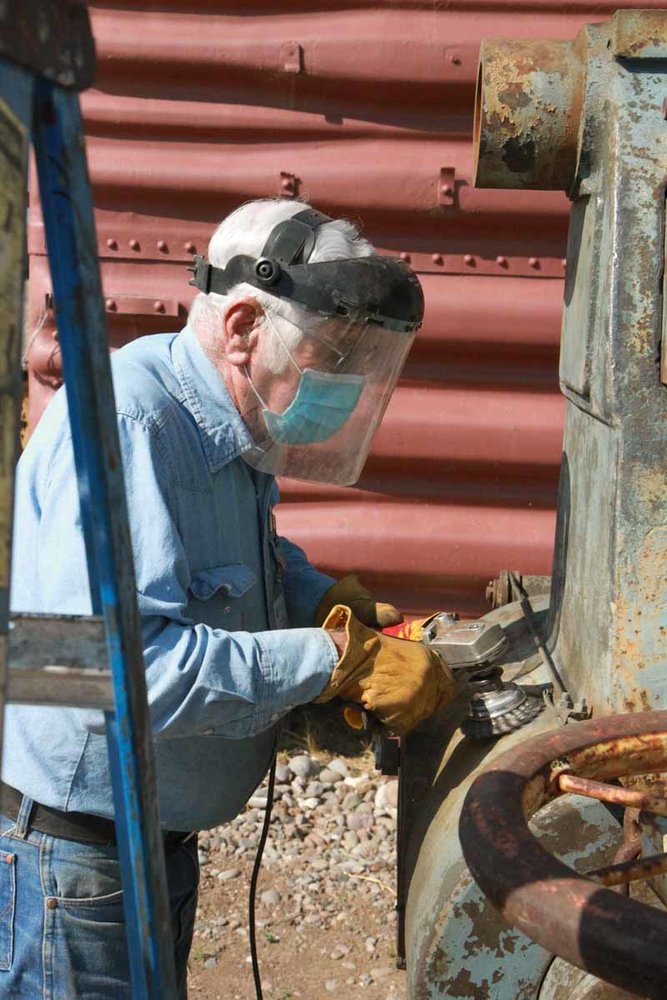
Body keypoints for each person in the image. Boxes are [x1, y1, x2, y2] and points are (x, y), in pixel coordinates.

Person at [2, 199, 455, 997]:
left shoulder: (222, 417)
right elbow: (108, 670)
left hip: (150, 847)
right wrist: (332, 662)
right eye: (332, 354)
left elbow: (234, 563)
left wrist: (319, 598)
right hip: (75, 863)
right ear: (243, 324)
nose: (343, 385)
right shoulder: (126, 423)